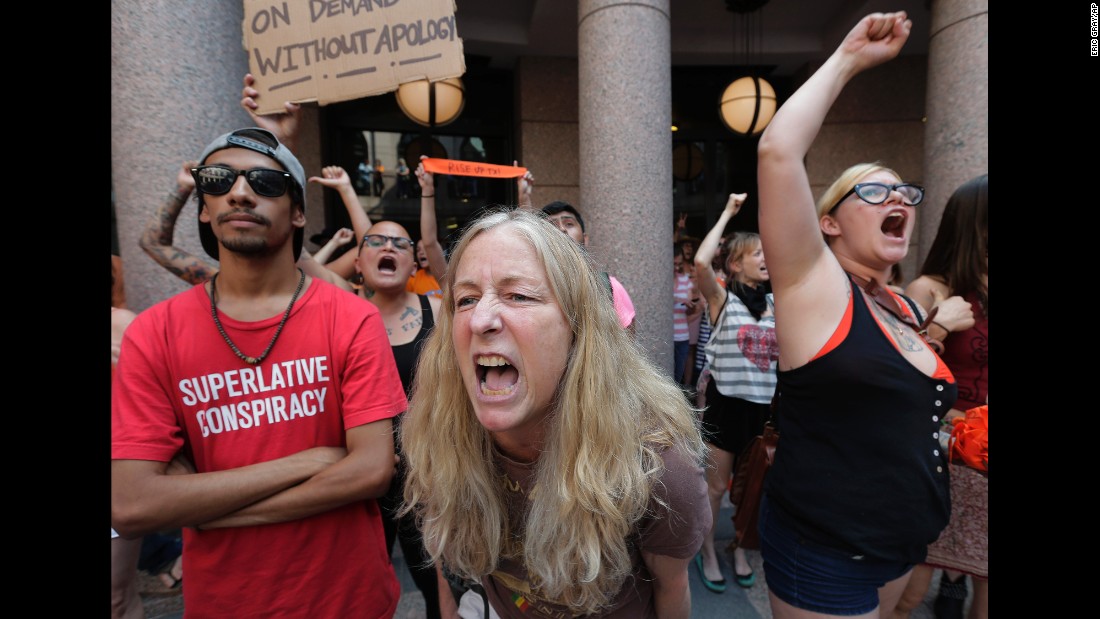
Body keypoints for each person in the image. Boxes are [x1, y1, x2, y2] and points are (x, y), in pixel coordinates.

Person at [112, 127, 407, 618]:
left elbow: (371, 470)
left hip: (349, 601)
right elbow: (132, 504)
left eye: (266, 183)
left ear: (296, 212)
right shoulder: (154, 333)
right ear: (204, 206)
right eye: (219, 179)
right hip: (226, 604)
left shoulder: (351, 317)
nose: (241, 192)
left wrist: (206, 508)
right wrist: (308, 460)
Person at [754, 12, 969, 617]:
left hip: (899, 544)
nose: (897, 197)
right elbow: (777, 150)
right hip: (825, 552)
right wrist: (848, 58)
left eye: (904, 191)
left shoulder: (900, 302)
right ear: (828, 221)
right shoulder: (814, 287)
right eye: (874, 192)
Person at [398, 209, 710, 619]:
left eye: (519, 296)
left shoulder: (659, 470)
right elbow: (445, 540)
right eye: (466, 299)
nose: (480, 319)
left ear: (578, 331)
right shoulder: (440, 433)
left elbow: (671, 592)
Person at [894, 174, 988, 619]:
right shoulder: (930, 288)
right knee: (909, 593)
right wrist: (939, 327)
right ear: (975, 224)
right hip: (946, 451)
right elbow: (911, 377)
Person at [690, 192, 778, 594]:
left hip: (766, 412)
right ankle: (707, 552)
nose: (765, 258)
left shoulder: (779, 303)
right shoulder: (722, 299)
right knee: (715, 488)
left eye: (767, 252)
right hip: (727, 406)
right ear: (737, 262)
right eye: (755, 253)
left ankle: (739, 546)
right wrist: (726, 211)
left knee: (751, 489)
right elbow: (702, 263)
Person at [541, 200, 637, 332]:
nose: (562, 229)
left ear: (585, 239)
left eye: (569, 224)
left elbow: (627, 345)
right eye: (552, 225)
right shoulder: (530, 288)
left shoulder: (609, 287)